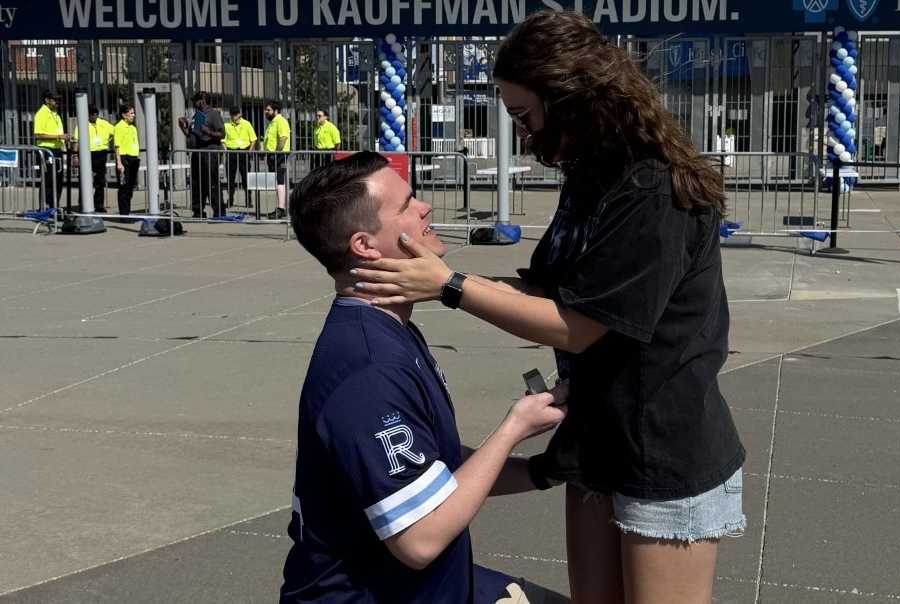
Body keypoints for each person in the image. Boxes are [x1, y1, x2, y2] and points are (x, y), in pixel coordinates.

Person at [349, 12, 746, 604]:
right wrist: (439, 280)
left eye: (524, 114)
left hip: (661, 448)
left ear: (569, 99)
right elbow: (547, 294)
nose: (523, 132)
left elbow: (579, 327)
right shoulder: (591, 177)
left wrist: (450, 286)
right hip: (598, 438)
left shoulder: (652, 190)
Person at [279, 151, 568, 604]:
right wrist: (514, 428)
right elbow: (420, 540)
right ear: (365, 246)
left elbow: (435, 470)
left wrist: (544, 471)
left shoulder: (388, 328)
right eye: (406, 205)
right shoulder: (368, 371)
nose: (425, 207)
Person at [178, 90, 225, 219]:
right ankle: (198, 211)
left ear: (202, 101)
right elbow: (191, 135)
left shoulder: (213, 114)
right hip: (197, 153)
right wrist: (183, 127)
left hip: (210, 153)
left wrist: (209, 132)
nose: (194, 103)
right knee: (196, 183)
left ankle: (219, 212)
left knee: (211, 182)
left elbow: (222, 134)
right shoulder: (196, 115)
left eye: (195, 101)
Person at [33, 90, 69, 209]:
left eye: (58, 100)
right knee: (48, 179)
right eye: (54, 100)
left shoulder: (56, 114)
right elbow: (38, 134)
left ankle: (54, 206)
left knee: (58, 179)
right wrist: (58, 137)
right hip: (46, 150)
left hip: (57, 150)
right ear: (47, 100)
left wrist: (65, 138)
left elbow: (58, 132)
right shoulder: (41, 114)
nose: (57, 102)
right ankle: (44, 207)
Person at [223, 106, 257, 207]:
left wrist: (249, 152)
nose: (234, 116)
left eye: (236, 114)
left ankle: (248, 200)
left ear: (239, 114)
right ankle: (230, 199)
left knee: (246, 178)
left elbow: (253, 139)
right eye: (232, 114)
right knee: (230, 178)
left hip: (244, 152)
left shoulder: (247, 124)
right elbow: (223, 140)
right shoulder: (227, 125)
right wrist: (226, 151)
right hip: (231, 152)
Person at [263, 101, 290, 220]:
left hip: (279, 155)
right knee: (277, 182)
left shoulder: (280, 121)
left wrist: (276, 153)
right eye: (266, 110)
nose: (266, 112)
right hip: (273, 155)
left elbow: (283, 138)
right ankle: (280, 207)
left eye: (268, 110)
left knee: (280, 181)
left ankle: (281, 209)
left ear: (276, 111)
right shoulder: (272, 123)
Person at [113, 104, 140, 221]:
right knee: (124, 186)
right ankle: (124, 214)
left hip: (133, 158)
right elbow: (117, 146)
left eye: (134, 113)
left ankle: (127, 211)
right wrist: (119, 162)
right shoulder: (119, 127)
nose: (133, 115)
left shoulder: (133, 127)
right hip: (124, 159)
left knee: (130, 186)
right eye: (131, 113)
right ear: (124, 115)